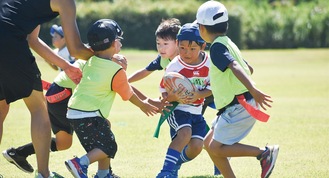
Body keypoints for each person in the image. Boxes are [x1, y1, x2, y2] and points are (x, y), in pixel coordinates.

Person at [0, 0, 93, 177]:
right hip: (9, 41)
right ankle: (43, 173)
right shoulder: (66, 2)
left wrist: (65, 66)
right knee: (38, 107)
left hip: (6, 36)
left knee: (0, 108)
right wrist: (106, 56)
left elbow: (32, 40)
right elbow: (76, 50)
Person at [64, 19, 164, 178]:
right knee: (108, 146)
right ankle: (79, 164)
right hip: (88, 113)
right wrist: (143, 105)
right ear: (111, 43)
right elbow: (128, 93)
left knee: (104, 136)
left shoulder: (92, 60)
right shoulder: (115, 70)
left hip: (75, 112)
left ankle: (104, 174)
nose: (121, 43)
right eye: (119, 40)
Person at [2, 55, 125, 177]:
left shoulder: (95, 60)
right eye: (117, 41)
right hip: (64, 95)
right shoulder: (99, 62)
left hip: (56, 95)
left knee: (63, 143)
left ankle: (19, 153)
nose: (119, 45)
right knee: (104, 127)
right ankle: (104, 173)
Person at [196, 1, 279, 178]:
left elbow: (235, 65)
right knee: (209, 143)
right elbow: (247, 67)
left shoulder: (217, 47)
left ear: (202, 28)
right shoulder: (227, 42)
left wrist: (253, 89)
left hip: (239, 105)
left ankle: (263, 153)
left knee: (216, 147)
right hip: (235, 105)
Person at [156, 23, 212, 178]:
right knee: (184, 133)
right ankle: (165, 172)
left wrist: (198, 95)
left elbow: (213, 88)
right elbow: (165, 95)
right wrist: (176, 96)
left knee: (196, 147)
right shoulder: (174, 66)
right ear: (177, 45)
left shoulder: (209, 64)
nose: (186, 52)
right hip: (177, 109)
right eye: (182, 48)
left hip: (196, 111)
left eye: (192, 48)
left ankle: (175, 164)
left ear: (203, 46)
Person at [128, 18, 181, 83]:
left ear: (177, 43)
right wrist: (125, 82)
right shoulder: (162, 60)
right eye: (158, 43)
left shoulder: (187, 58)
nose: (161, 48)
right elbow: (145, 71)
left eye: (165, 44)